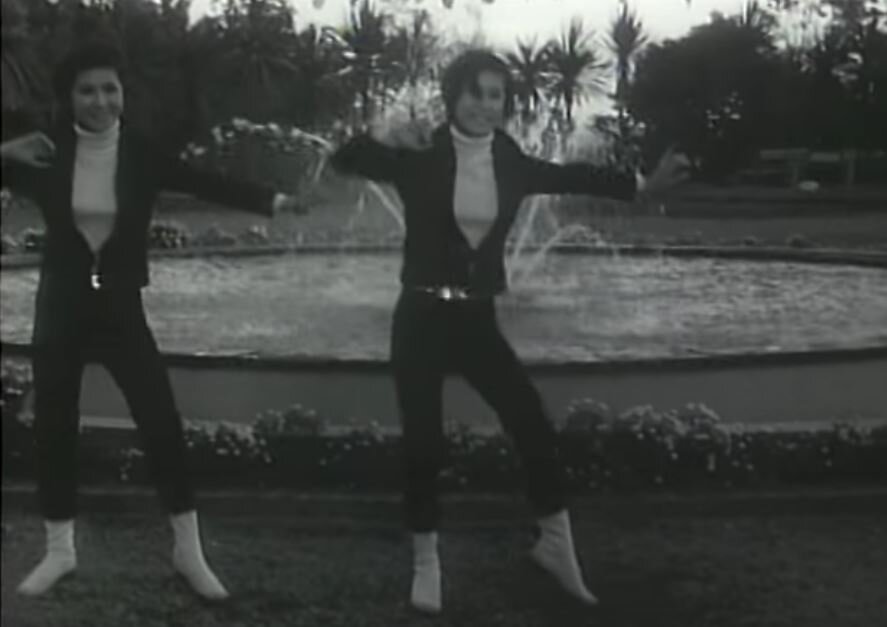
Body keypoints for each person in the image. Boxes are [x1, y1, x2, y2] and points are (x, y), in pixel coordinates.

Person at [330, 49, 688, 614]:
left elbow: (569, 175)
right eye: (474, 93)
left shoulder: (510, 159)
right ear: (453, 97)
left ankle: (556, 547)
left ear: (505, 104)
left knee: (531, 422)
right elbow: (345, 159)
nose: (484, 105)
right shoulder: (421, 155)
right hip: (420, 317)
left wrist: (641, 184)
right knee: (424, 444)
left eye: (495, 95)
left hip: (476, 319)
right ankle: (426, 564)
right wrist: (386, 135)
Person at [0, 40, 305, 601]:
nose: (100, 100)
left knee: (160, 422)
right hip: (61, 308)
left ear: (123, 93)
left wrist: (276, 201)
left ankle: (189, 552)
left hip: (121, 308)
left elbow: (203, 181)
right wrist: (5, 150)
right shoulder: (45, 152)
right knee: (54, 427)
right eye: (87, 91)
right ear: (69, 98)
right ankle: (60, 551)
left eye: (110, 88)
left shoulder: (141, 152)